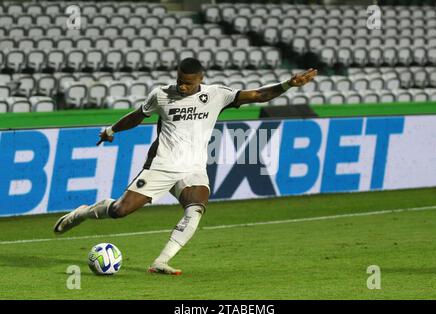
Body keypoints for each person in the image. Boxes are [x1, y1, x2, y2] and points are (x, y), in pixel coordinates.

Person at [53, 57, 317, 275]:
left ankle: (160, 261)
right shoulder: (161, 94)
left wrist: (288, 84)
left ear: (200, 79)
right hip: (162, 165)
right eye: (180, 81)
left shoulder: (217, 95)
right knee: (120, 211)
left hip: (193, 168)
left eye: (188, 83)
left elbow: (259, 94)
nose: (182, 87)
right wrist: (112, 130)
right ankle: (82, 213)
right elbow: (137, 116)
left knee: (195, 210)